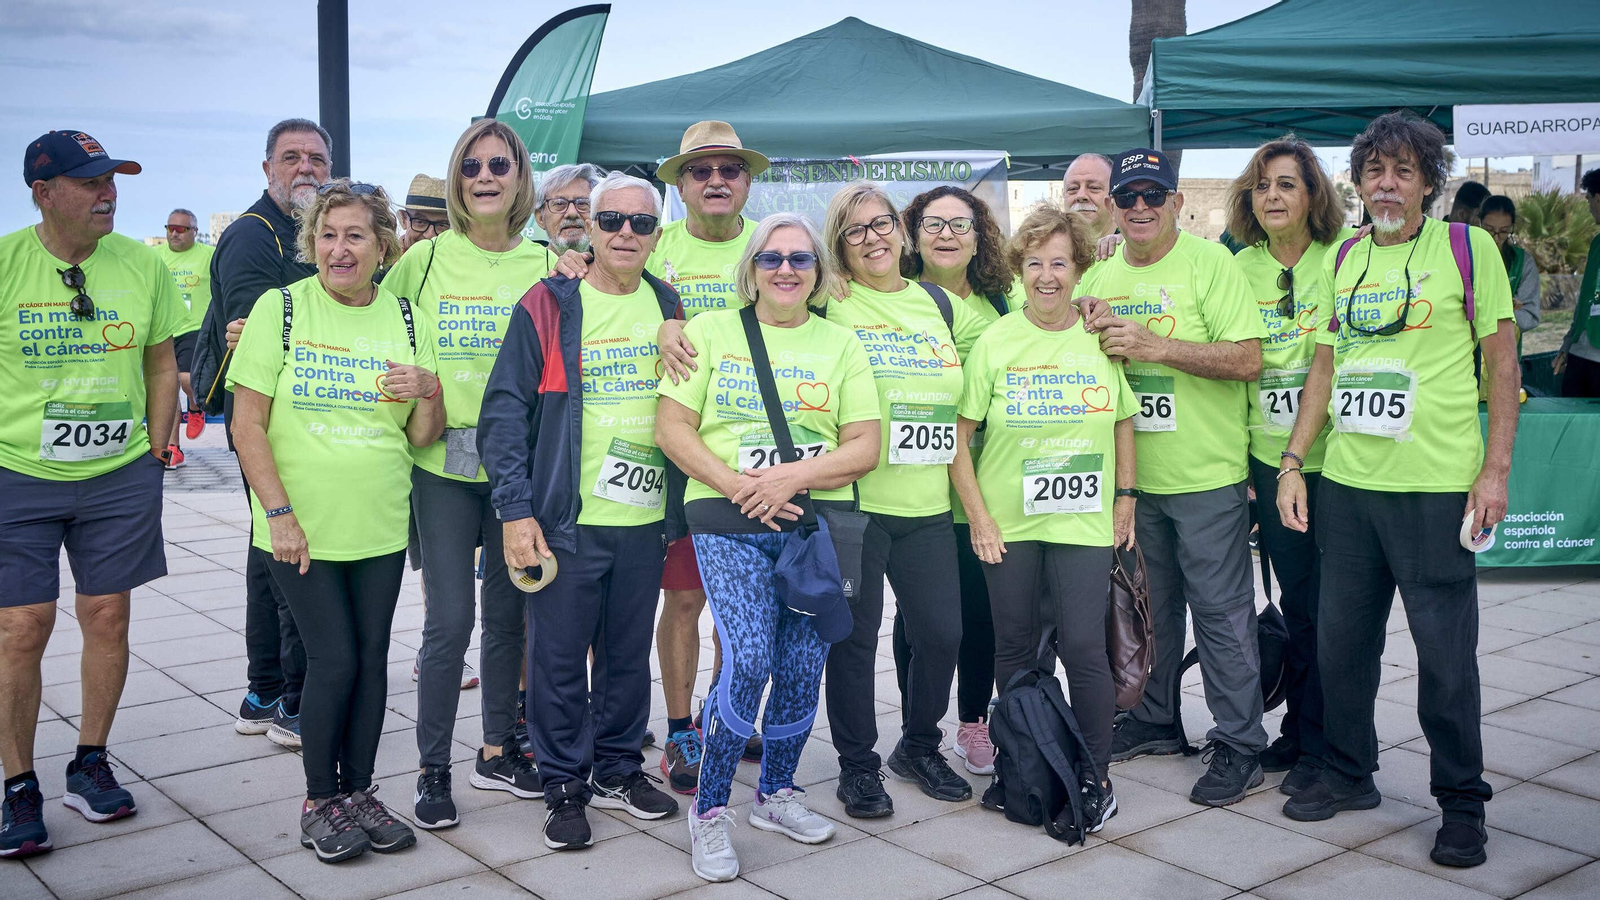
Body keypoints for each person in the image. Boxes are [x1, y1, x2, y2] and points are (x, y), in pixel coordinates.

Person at [1276, 112, 1518, 869]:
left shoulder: (1467, 248)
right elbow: (1323, 368)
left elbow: (1502, 369)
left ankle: (1462, 801)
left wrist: (1495, 470)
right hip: (1349, 487)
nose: (1387, 183)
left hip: (1436, 487)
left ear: (1427, 184)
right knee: (1343, 643)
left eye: (1404, 171)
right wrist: (1292, 461)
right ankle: (1350, 772)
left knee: (1445, 658)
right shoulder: (1345, 257)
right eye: (1375, 170)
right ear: (1358, 181)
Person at [655, 212, 879, 881]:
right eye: (772, 258)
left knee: (804, 660)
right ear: (750, 270)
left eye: (801, 260)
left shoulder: (841, 344)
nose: (786, 270)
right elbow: (673, 427)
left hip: (812, 523)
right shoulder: (711, 332)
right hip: (727, 516)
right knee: (749, 657)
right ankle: (711, 810)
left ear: (818, 275)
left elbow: (865, 444)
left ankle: (776, 793)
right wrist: (738, 485)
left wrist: (791, 478)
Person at [229, 180, 443, 863]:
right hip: (301, 529)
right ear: (310, 243)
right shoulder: (282, 310)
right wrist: (280, 514)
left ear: (383, 245)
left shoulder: (408, 319)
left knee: (373, 661)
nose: (339, 249)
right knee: (335, 659)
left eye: (355, 236)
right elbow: (247, 424)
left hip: (378, 523)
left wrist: (430, 391)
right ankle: (321, 799)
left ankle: (360, 793)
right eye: (327, 235)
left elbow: (423, 435)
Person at [480, 172, 681, 851]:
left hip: (645, 517)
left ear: (656, 235)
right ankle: (564, 781)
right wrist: (515, 510)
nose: (627, 233)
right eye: (613, 220)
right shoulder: (548, 301)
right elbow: (504, 410)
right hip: (566, 518)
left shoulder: (667, 301)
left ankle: (619, 768)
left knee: (627, 655)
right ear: (588, 228)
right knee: (560, 658)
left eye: (642, 223)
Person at [0, 131, 182, 860]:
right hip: (18, 472)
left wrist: (157, 448)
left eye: (112, 179)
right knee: (22, 626)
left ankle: (89, 760)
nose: (108, 193)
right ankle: (18, 784)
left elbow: (162, 363)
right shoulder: (8, 263)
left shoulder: (141, 265)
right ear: (44, 194)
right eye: (89, 182)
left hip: (119, 474)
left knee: (107, 613)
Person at [1077, 148, 1270, 808]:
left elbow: (1249, 358)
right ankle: (1157, 719)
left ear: (1176, 203)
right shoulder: (1101, 268)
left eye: (1152, 195)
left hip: (1205, 477)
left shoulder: (1211, 263)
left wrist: (1158, 347)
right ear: (1112, 206)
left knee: (1221, 617)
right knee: (1150, 614)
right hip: (1133, 484)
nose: (1138, 207)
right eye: (1126, 196)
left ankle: (1241, 742)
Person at [383, 120, 548, 830]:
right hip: (441, 464)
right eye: (471, 166)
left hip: (518, 469)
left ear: (519, 178)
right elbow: (359, 311)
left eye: (499, 165)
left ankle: (495, 748)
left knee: (511, 615)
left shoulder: (547, 263)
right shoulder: (422, 261)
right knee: (450, 621)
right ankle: (431, 769)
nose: (485, 177)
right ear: (457, 180)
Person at [950, 204, 1135, 832]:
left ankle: (1095, 777)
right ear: (1018, 269)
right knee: (1015, 649)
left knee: (1084, 648)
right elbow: (960, 436)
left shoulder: (1099, 334)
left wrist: (1126, 497)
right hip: (1010, 522)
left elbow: (1122, 419)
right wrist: (978, 517)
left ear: (1079, 269)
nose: (1048, 275)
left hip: (1081, 522)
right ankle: (1021, 763)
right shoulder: (997, 340)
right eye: (1035, 263)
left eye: (1060, 262)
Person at [819, 182, 989, 817]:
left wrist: (1080, 314)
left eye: (882, 222)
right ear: (840, 244)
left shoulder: (939, 305)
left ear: (901, 229)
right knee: (855, 642)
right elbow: (754, 307)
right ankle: (857, 765)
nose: (874, 237)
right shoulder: (829, 301)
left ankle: (919, 744)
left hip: (927, 506)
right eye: (856, 230)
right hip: (854, 505)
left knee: (942, 633)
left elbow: (1014, 340)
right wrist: (672, 323)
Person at [634, 122, 773, 793]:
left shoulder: (772, 244)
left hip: (760, 451)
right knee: (685, 596)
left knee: (742, 601)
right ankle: (683, 726)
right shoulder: (651, 246)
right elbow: (599, 297)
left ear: (748, 180)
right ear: (680, 184)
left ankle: (730, 715)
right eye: (701, 170)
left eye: (730, 169)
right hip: (679, 447)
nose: (716, 180)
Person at [1224, 137, 1353, 797]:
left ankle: (1324, 742)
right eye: (1262, 185)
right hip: (1269, 465)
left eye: (1286, 184)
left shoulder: (1344, 260)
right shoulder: (1236, 267)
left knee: (1334, 611)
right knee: (1300, 605)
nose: (1271, 196)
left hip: (1340, 466)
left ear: (1313, 196)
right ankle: (1301, 733)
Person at [212, 117, 332, 750]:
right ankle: (291, 696)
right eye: (291, 158)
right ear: (267, 170)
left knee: (268, 558)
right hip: (266, 425)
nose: (305, 168)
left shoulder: (309, 233)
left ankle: (264, 689)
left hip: (304, 421)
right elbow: (252, 331)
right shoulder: (252, 237)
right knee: (289, 553)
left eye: (316, 158)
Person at [892, 185, 1016, 776]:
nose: (946, 234)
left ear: (979, 236)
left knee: (978, 614)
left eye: (960, 224)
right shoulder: (891, 297)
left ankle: (972, 722)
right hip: (915, 486)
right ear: (913, 235)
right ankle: (917, 727)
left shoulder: (1003, 303)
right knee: (919, 619)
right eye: (933, 223)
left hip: (982, 486)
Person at [156, 208, 214, 467]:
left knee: (185, 378)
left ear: (195, 232)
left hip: (194, 326)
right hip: (163, 327)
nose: (175, 234)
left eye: (181, 229)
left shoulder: (208, 256)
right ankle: (173, 448)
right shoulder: (154, 256)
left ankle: (195, 405)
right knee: (165, 389)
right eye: (170, 228)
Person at [1556, 168, 1600, 397]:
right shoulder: (1596, 244)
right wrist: (1567, 346)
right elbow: (1585, 300)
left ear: (1598, 198)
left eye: (1588, 199)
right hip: (1580, 354)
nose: (1589, 207)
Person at [1477, 195, 1540, 352]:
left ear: (1512, 228)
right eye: (1489, 230)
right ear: (1479, 223)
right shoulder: (1465, 255)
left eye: (1504, 232)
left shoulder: (1523, 262)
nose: (1496, 238)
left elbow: (1530, 315)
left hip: (1505, 351)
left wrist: (1490, 312)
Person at [532, 162, 604, 271]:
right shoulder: (522, 267)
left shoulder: (611, 269)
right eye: (559, 203)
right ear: (540, 218)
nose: (572, 213)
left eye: (582, 203)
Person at [1061, 153, 1118, 241]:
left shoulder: (1135, 250)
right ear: (1063, 195)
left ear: (1114, 196)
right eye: (1073, 188)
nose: (1081, 195)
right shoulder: (1044, 250)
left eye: (1094, 188)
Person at [398, 174, 449, 252]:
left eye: (441, 225)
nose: (430, 235)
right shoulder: (380, 260)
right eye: (420, 222)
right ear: (404, 219)